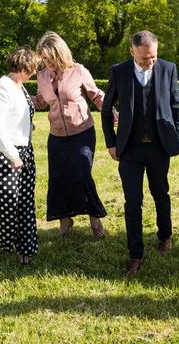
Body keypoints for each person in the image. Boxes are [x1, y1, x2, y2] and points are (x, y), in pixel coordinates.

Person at [101, 30, 179, 276]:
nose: (150, 62)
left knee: (161, 192)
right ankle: (135, 253)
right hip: (130, 148)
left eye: (153, 57)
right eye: (145, 58)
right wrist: (111, 143)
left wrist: (177, 139)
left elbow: (176, 106)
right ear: (132, 51)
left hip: (159, 146)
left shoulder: (168, 69)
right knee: (133, 201)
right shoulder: (119, 71)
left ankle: (165, 235)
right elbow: (106, 110)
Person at [32, 31, 108, 240]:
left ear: (59, 54)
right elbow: (40, 100)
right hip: (56, 136)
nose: (46, 62)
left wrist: (112, 112)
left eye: (49, 58)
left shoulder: (78, 71)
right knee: (58, 178)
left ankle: (95, 217)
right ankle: (64, 219)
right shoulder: (42, 76)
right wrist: (18, 96)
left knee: (82, 174)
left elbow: (96, 95)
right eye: (43, 58)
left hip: (82, 132)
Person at [0, 46, 40, 265]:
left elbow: (16, 114)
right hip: (3, 153)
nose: (34, 73)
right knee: (6, 204)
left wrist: (27, 125)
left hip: (24, 150)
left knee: (25, 204)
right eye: (33, 68)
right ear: (23, 66)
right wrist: (12, 155)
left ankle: (24, 251)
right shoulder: (2, 87)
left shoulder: (20, 87)